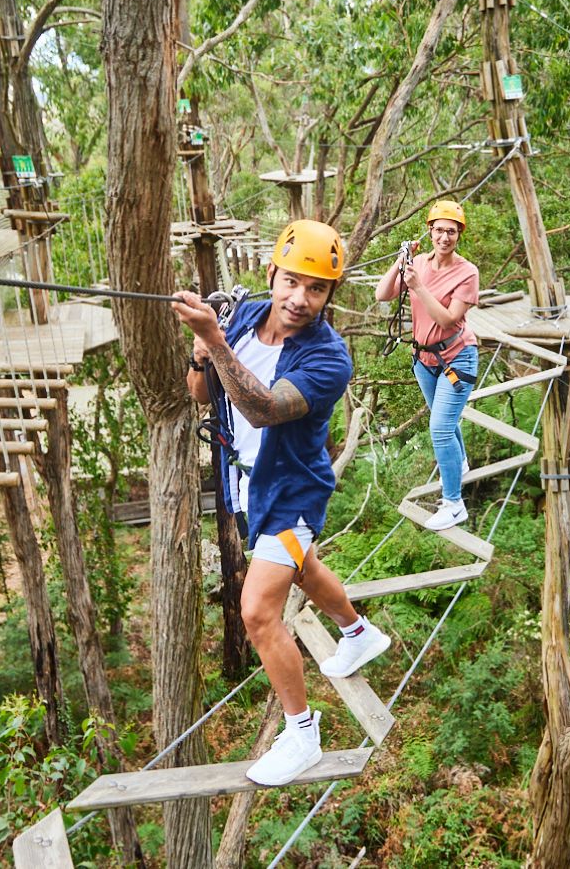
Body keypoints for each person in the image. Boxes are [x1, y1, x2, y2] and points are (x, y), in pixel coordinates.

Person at [172, 219, 391, 786]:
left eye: (316, 289)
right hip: (250, 486)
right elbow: (202, 395)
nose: (300, 299)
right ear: (271, 273)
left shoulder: (328, 359)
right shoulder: (243, 318)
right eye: (292, 282)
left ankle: (302, 734)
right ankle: (361, 633)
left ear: (329, 296)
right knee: (300, 567)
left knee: (257, 611)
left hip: (293, 493)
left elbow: (266, 408)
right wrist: (203, 352)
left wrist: (215, 343)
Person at [376, 200, 481, 531]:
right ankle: (459, 462)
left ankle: (454, 503)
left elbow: (450, 319)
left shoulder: (467, 272)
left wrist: (418, 286)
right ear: (430, 231)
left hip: (457, 357)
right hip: (424, 360)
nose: (445, 237)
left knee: (440, 429)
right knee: (445, 424)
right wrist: (401, 261)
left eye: (451, 231)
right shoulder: (418, 263)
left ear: (459, 234)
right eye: (439, 230)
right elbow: (383, 294)